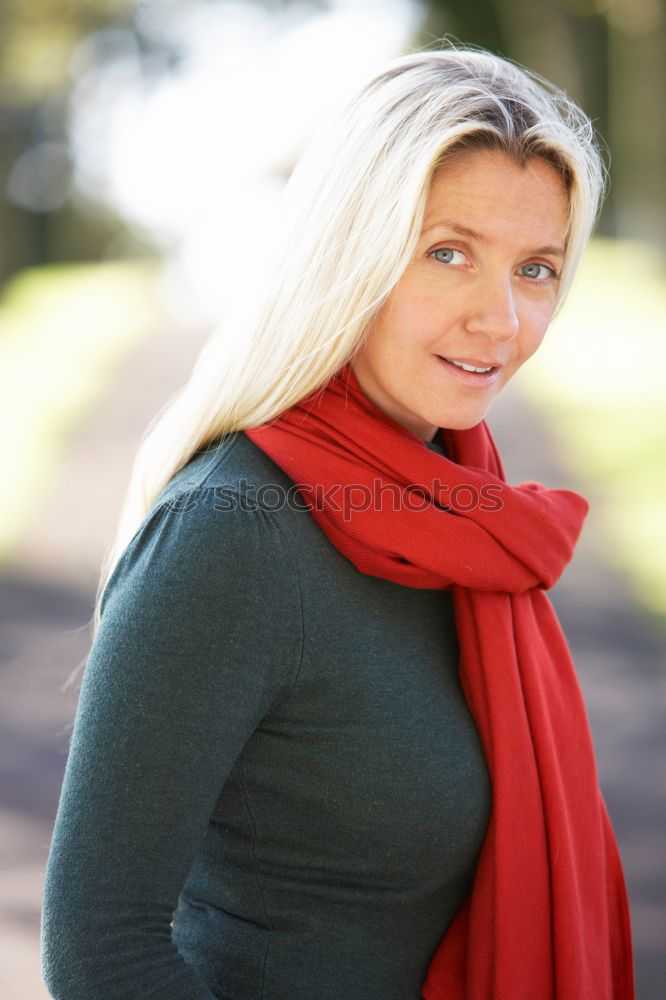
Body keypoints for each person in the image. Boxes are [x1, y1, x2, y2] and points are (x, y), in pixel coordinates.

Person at [40, 44, 635, 1000]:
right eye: (449, 253)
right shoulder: (233, 533)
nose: (502, 318)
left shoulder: (467, 519)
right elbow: (102, 949)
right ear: (348, 252)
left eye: (536, 269)